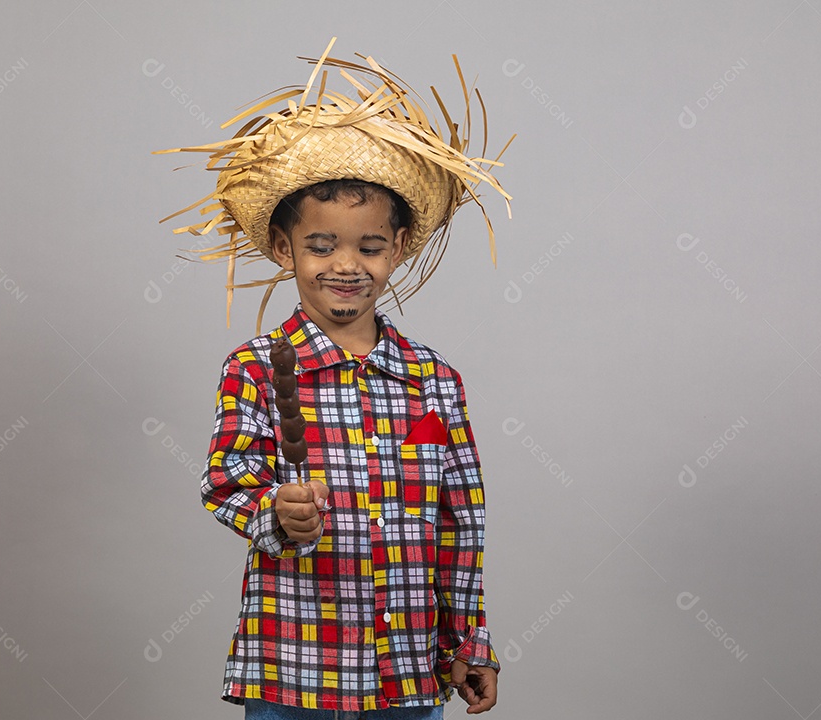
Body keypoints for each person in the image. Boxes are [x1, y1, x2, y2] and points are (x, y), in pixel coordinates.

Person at [157, 39, 512, 718]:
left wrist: (468, 643)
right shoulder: (256, 368)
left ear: (397, 248)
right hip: (294, 670)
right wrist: (275, 511)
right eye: (321, 246)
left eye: (369, 246)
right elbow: (226, 480)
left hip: (407, 675)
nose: (346, 265)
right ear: (284, 248)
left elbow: (460, 523)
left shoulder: (435, 380)